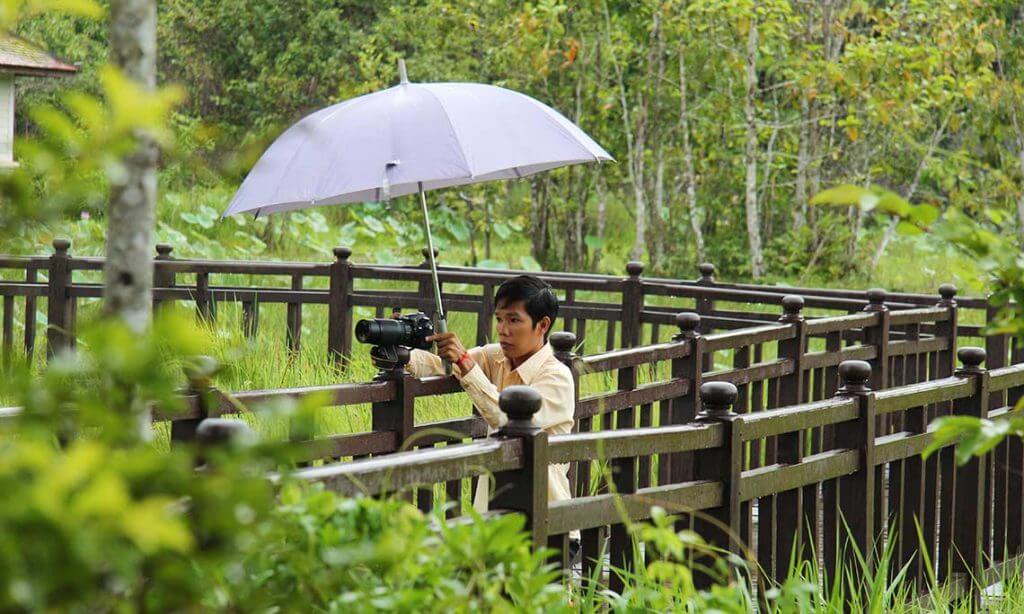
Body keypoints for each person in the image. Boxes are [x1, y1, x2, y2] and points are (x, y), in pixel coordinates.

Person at [405, 275, 575, 514]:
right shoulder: (496, 357)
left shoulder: (557, 377)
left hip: (547, 524)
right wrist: (402, 354)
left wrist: (465, 362)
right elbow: (439, 366)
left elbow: (509, 421)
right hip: (494, 519)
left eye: (514, 320)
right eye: (499, 319)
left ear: (543, 325)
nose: (503, 330)